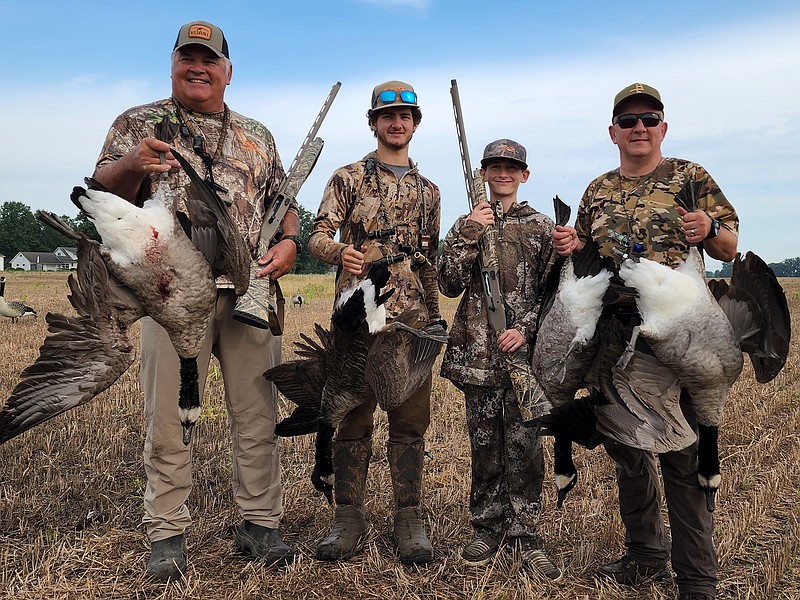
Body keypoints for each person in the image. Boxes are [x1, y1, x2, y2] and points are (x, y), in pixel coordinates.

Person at [93, 20, 300, 581]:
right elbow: (102, 195)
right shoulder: (138, 124)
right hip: (170, 296)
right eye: (188, 56)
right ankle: (167, 533)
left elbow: (285, 202)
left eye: (209, 59)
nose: (197, 67)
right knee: (168, 417)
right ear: (172, 64)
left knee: (256, 413)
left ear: (228, 71)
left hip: (251, 292)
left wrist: (288, 242)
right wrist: (132, 164)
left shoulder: (258, 135)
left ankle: (261, 524)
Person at [552, 83, 739, 600]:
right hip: (614, 334)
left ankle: (698, 580)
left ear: (663, 126)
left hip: (677, 336)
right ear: (613, 132)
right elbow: (586, 252)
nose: (639, 128)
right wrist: (571, 243)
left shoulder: (690, 177)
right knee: (627, 448)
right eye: (628, 121)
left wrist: (709, 227)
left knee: (683, 455)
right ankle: (646, 556)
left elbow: (729, 245)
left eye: (649, 119)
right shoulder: (597, 190)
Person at [307, 80, 441, 565]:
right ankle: (348, 516)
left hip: (409, 328)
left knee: (409, 425)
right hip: (357, 324)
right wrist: (338, 251)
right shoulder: (346, 178)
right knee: (351, 419)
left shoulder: (429, 191)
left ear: (415, 124)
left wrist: (435, 319)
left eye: (406, 116)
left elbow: (427, 259)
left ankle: (408, 517)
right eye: (388, 116)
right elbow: (316, 235)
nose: (397, 123)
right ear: (373, 123)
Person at [437, 140, 561, 579]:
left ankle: (527, 536)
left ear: (524, 175)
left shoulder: (542, 228)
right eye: (495, 166)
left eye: (512, 167)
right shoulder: (468, 223)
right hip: (478, 359)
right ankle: (487, 527)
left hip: (524, 359)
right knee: (485, 449)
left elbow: (553, 292)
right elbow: (448, 282)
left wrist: (523, 329)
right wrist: (471, 229)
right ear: (484, 173)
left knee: (526, 451)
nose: (503, 174)